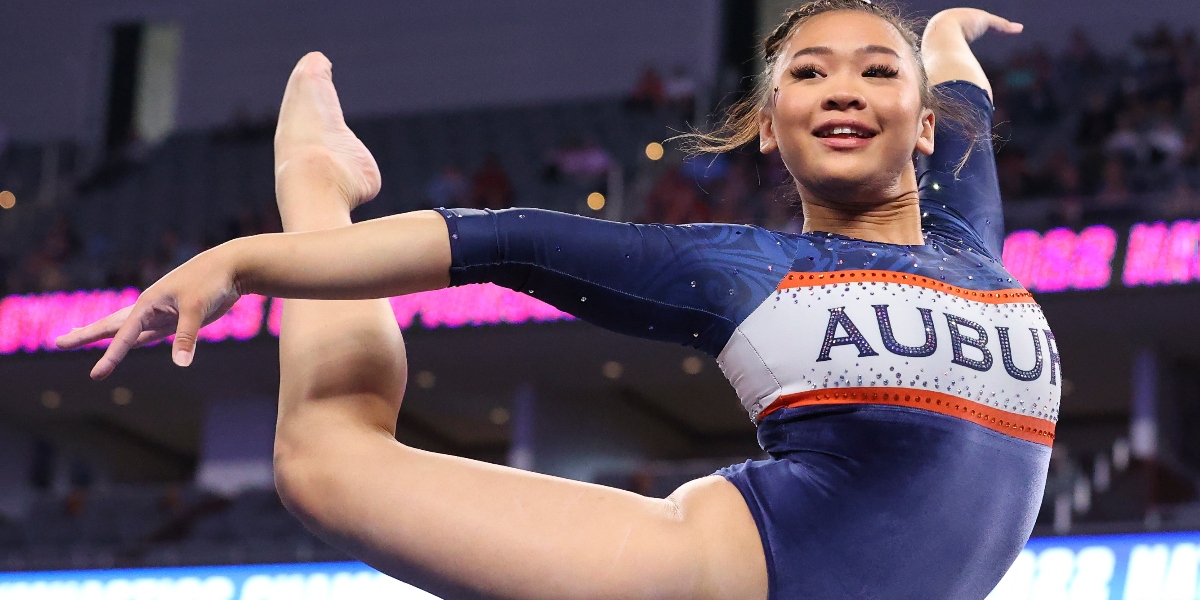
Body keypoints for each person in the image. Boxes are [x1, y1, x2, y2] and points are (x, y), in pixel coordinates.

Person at [58, 2, 1054, 598]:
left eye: (878, 71)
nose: (845, 86)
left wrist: (947, 30)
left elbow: (966, 93)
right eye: (809, 71)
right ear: (768, 127)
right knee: (323, 465)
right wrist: (245, 261)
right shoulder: (747, 272)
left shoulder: (971, 234)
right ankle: (316, 180)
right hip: (709, 577)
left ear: (920, 129)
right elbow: (506, 241)